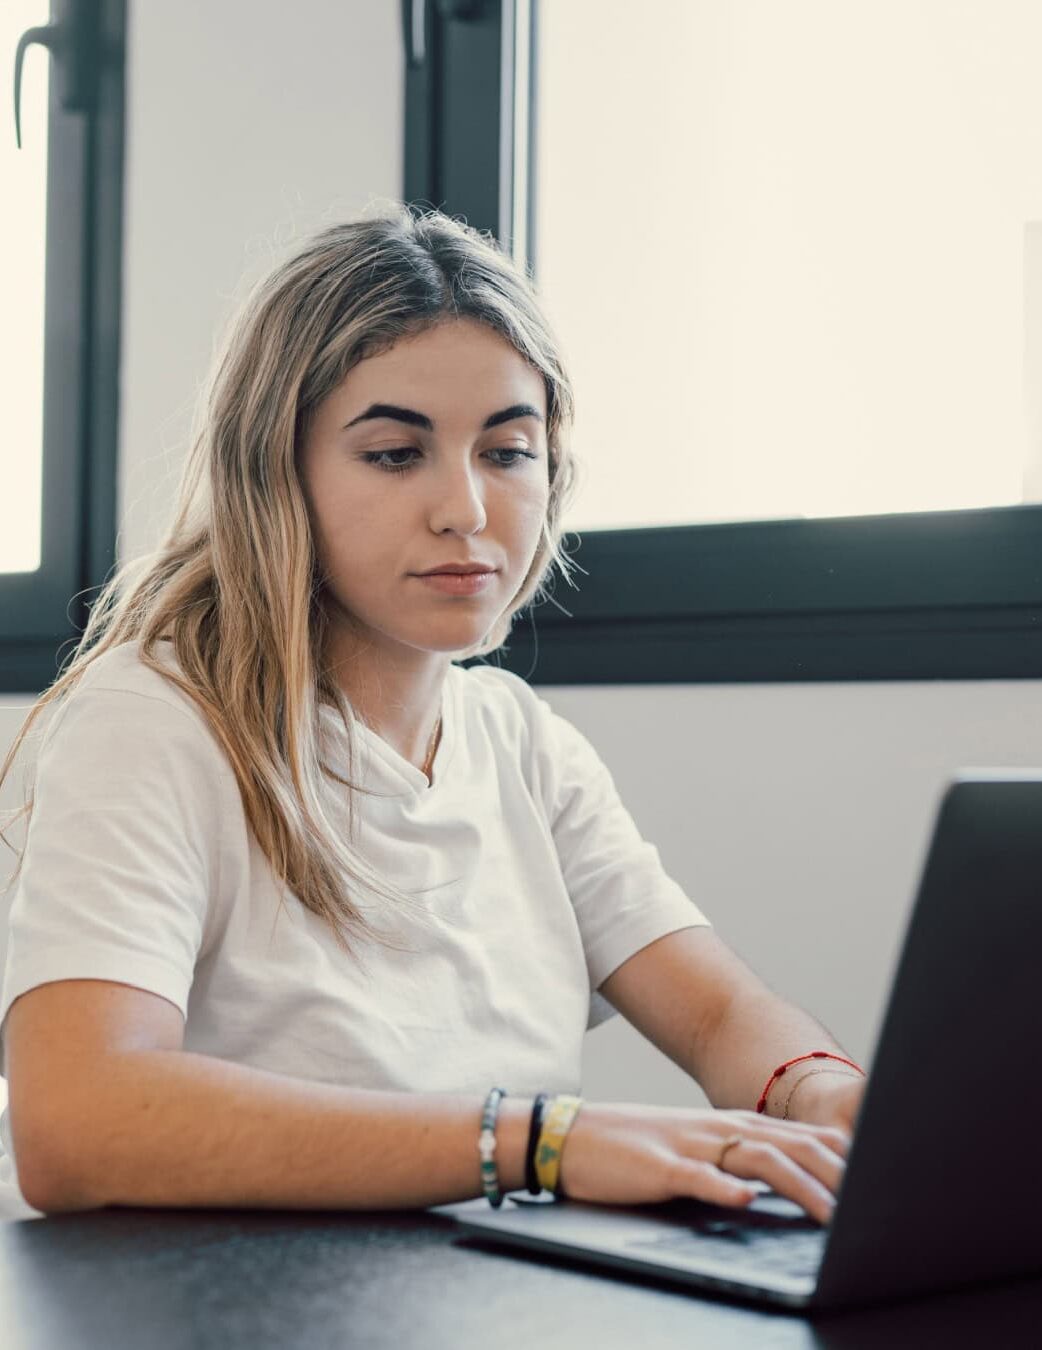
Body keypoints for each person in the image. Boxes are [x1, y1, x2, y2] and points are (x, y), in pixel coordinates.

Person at [0, 202, 864, 1224]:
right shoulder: (153, 724)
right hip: (223, 1294)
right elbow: (77, 1123)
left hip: (479, 1287)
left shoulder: (524, 745)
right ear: (275, 472)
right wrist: (543, 1143)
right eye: (394, 453)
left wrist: (821, 1093)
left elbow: (719, 1016)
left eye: (508, 451)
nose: (467, 509)